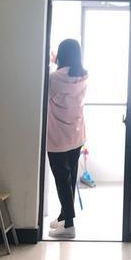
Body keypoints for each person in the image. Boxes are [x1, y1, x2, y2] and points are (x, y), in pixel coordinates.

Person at [46, 38, 88, 239]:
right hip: (77, 133)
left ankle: (69, 225)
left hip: (57, 135)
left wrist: (53, 63)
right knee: (69, 177)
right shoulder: (84, 76)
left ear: (61, 54)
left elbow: (45, 93)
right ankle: (64, 217)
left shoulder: (54, 78)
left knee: (61, 178)